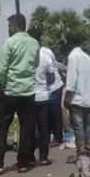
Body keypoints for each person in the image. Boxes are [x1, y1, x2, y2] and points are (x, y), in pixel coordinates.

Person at [0, 14, 40, 176]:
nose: (8, 30)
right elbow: (36, 64)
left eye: (9, 27)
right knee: (26, 127)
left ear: (15, 26)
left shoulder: (10, 42)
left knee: (2, 127)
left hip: (10, 90)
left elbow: (2, 68)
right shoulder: (35, 43)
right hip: (28, 90)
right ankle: (24, 161)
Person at [29, 28, 62, 166]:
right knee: (44, 128)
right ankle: (43, 157)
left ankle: (28, 157)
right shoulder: (45, 53)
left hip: (29, 95)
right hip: (43, 95)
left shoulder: (25, 53)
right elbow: (52, 74)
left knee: (29, 128)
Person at [63, 32, 90, 159]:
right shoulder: (87, 57)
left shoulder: (73, 57)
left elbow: (71, 81)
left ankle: (81, 152)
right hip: (88, 97)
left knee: (78, 127)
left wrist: (67, 98)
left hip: (77, 98)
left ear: (69, 43)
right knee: (87, 126)